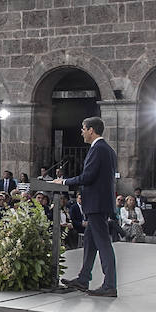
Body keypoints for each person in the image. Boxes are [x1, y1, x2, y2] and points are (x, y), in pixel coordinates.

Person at [57, 117, 119, 297]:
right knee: (90, 244)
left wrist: (65, 181)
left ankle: (110, 285)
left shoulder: (98, 149)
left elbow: (88, 177)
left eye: (83, 129)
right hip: (100, 203)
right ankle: (84, 279)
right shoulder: (107, 149)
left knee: (104, 244)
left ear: (91, 130)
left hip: (96, 204)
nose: (81, 132)